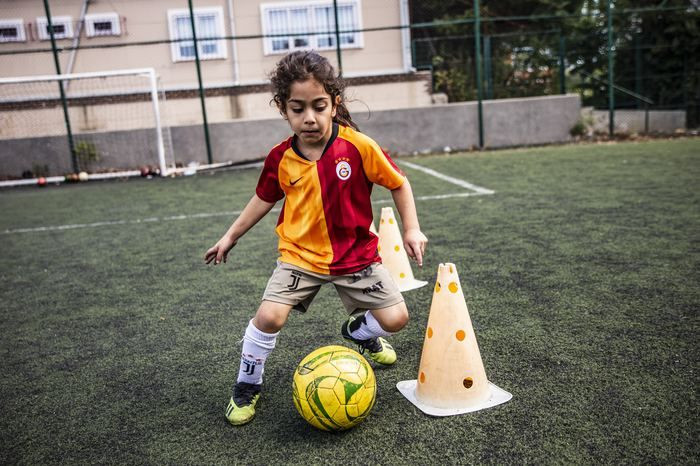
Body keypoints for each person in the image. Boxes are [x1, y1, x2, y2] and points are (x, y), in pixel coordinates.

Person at [205, 50, 428, 426]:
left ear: (334, 103)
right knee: (269, 316)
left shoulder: (358, 146)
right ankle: (247, 384)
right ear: (283, 108)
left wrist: (411, 228)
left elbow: (399, 183)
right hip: (300, 257)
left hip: (356, 257)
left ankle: (359, 331)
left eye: (319, 106)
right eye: (297, 109)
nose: (309, 118)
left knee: (397, 318)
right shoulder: (280, 158)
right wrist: (230, 236)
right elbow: (262, 199)